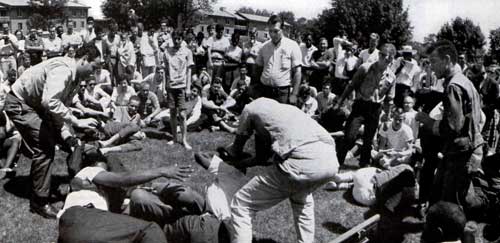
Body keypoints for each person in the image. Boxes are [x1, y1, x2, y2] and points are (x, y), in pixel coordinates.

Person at [3, 43, 101, 218]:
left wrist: (67, 135)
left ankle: (54, 184)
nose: (94, 72)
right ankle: (39, 202)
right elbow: (51, 103)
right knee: (45, 145)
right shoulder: (64, 70)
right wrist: (77, 121)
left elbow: (57, 111)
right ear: (85, 59)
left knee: (64, 141)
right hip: (20, 103)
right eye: (94, 67)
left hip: (35, 105)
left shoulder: (76, 78)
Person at [221, 97, 338, 243]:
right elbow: (262, 159)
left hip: (303, 164)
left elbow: (235, 150)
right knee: (301, 201)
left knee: (242, 204)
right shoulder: (285, 110)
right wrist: (245, 163)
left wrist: (227, 158)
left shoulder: (249, 108)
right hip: (330, 160)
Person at [57, 151, 194, 243]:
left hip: (70, 230)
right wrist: (161, 171)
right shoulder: (87, 171)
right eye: (103, 170)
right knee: (150, 230)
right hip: (86, 218)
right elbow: (122, 178)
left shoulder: (89, 192)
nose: (105, 174)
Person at [416, 40, 484, 206]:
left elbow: (452, 128)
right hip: (460, 150)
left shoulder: (453, 87)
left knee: (452, 204)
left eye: (433, 62)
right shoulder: (464, 81)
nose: (430, 67)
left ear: (447, 60)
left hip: (462, 154)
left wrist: (428, 121)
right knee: (440, 195)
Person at [334, 43, 397, 167]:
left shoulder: (392, 77)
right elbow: (351, 86)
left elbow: (389, 99)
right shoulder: (365, 68)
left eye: (389, 57)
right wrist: (340, 102)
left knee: (368, 140)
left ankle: (363, 165)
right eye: (384, 56)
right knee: (350, 136)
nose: (386, 59)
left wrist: (387, 117)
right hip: (360, 105)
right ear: (379, 55)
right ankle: (337, 162)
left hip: (375, 109)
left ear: (392, 59)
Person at [253, 14, 302, 104]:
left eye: (276, 31)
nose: (272, 34)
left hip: (282, 94)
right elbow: (258, 68)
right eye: (270, 31)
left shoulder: (292, 45)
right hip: (264, 91)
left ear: (282, 30)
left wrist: (294, 94)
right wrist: (255, 87)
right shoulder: (264, 47)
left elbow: (298, 72)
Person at [326, 164, 417, 210]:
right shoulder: (408, 192)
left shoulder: (404, 166)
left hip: (363, 181)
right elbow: (390, 207)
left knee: (373, 171)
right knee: (374, 177)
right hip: (365, 199)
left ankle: (342, 178)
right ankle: (344, 186)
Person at [163, 29, 194, 150]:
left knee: (182, 114)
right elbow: (165, 71)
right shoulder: (167, 52)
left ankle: (184, 140)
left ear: (182, 39)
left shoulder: (187, 52)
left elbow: (189, 70)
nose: (176, 41)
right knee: (172, 113)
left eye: (179, 39)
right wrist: (165, 88)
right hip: (171, 87)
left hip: (182, 87)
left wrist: (188, 87)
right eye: (174, 39)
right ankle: (174, 138)